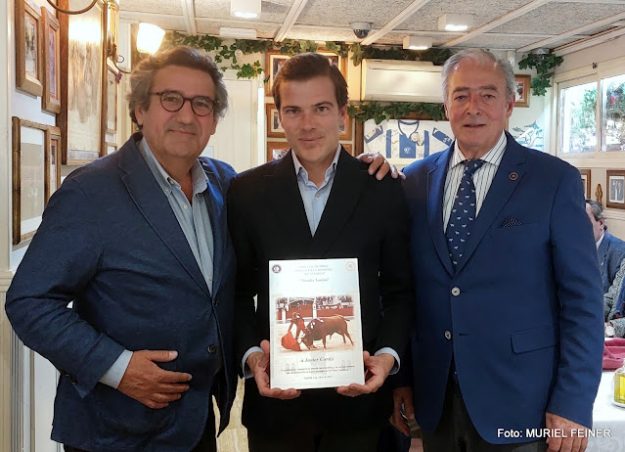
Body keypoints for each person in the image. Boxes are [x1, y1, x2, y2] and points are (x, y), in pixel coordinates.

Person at [5, 46, 391, 452]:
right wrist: (117, 367)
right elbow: (29, 302)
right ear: (140, 109)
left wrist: (363, 169)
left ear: (214, 120)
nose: (187, 116)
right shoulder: (90, 192)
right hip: (116, 426)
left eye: (202, 104)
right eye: (171, 99)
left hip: (195, 420)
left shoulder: (225, 185)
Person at [395, 48, 604, 452]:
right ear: (446, 106)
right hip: (436, 400)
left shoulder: (553, 181)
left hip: (523, 401)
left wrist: (574, 402)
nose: (473, 107)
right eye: (461, 95)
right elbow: (406, 290)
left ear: (509, 104)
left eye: (487, 95)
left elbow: (583, 302)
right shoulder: (416, 181)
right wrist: (401, 380)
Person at [227, 52, 414, 452]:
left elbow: (400, 291)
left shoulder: (382, 189)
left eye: (321, 108)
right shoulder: (246, 192)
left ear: (342, 114)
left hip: (359, 406)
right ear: (279, 116)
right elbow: (237, 293)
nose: (307, 124)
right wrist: (252, 358)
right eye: (293, 111)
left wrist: (386, 357)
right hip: (276, 407)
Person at [586, 199, 625, 293]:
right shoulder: (573, 249)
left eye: (584, 222)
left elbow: (615, 298)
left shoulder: (619, 252)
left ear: (601, 223)